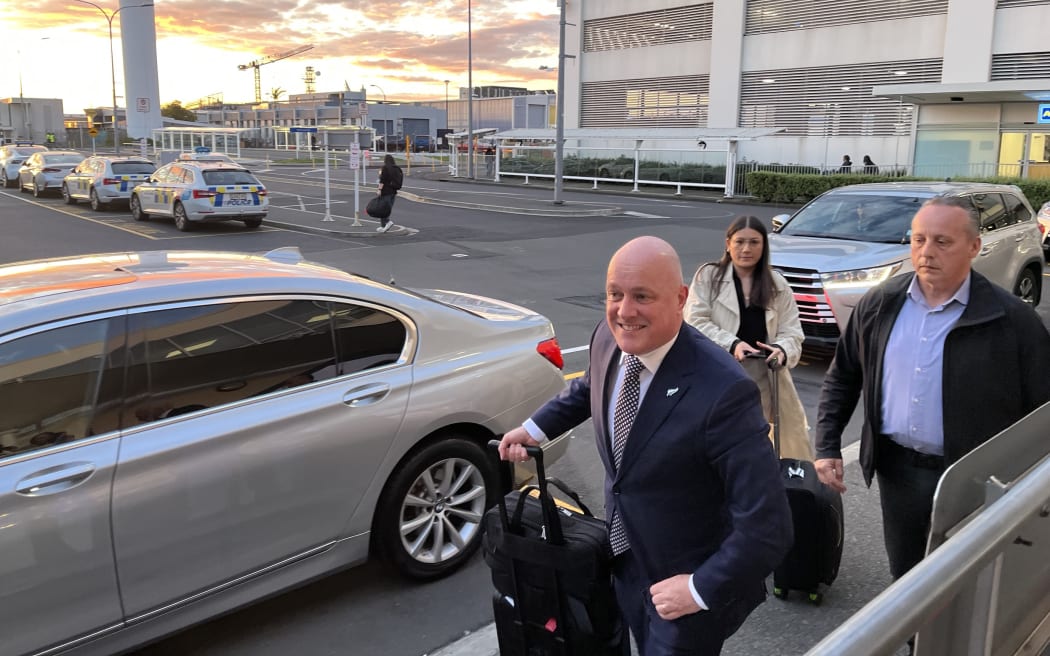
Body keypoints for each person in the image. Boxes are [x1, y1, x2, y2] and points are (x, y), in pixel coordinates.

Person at [499, 236, 793, 656]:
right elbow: (590, 387)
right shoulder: (609, 338)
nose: (624, 311)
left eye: (642, 296)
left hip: (684, 585)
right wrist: (535, 428)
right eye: (615, 294)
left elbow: (769, 527)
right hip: (625, 559)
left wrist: (698, 588)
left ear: (680, 299)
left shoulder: (724, 391)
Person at [815, 196, 1050, 587]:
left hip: (974, 476)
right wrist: (826, 445)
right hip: (899, 472)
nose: (926, 252)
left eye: (942, 242)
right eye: (919, 239)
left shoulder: (1013, 321)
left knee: (967, 581)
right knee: (907, 580)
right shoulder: (880, 304)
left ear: (973, 247)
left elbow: (1042, 412)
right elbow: (843, 375)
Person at [685, 216, 814, 461]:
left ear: (764, 245)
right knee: (715, 440)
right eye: (740, 242)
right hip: (718, 374)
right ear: (728, 244)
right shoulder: (709, 277)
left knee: (761, 444)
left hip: (764, 378)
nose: (746, 249)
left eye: (754, 242)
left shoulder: (777, 284)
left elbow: (793, 332)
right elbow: (695, 322)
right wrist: (732, 343)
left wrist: (781, 350)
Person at [376, 154, 402, 233]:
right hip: (393, 191)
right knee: (387, 209)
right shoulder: (397, 168)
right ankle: (383, 226)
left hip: (386, 191)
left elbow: (382, 180)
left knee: (382, 209)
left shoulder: (385, 168)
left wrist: (379, 189)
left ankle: (387, 222)